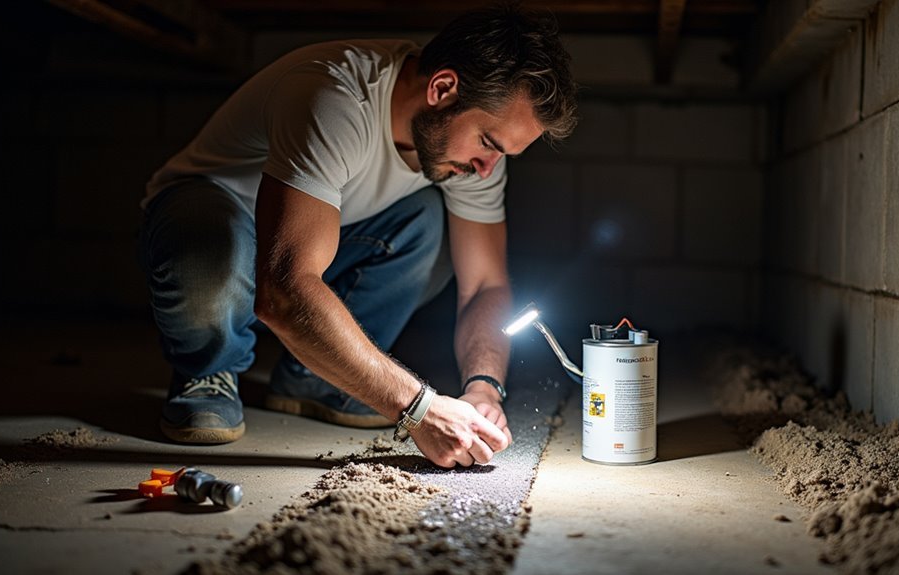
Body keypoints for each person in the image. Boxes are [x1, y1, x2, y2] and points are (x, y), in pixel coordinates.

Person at [137, 2, 578, 468]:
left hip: (314, 239)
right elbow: (284, 289)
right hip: (212, 216)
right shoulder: (335, 97)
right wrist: (419, 409)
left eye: (504, 154)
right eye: (489, 143)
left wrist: (483, 387)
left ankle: (318, 379)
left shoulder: (478, 160)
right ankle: (207, 369)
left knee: (426, 223)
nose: (488, 169)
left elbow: (486, 285)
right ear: (443, 88)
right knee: (211, 259)